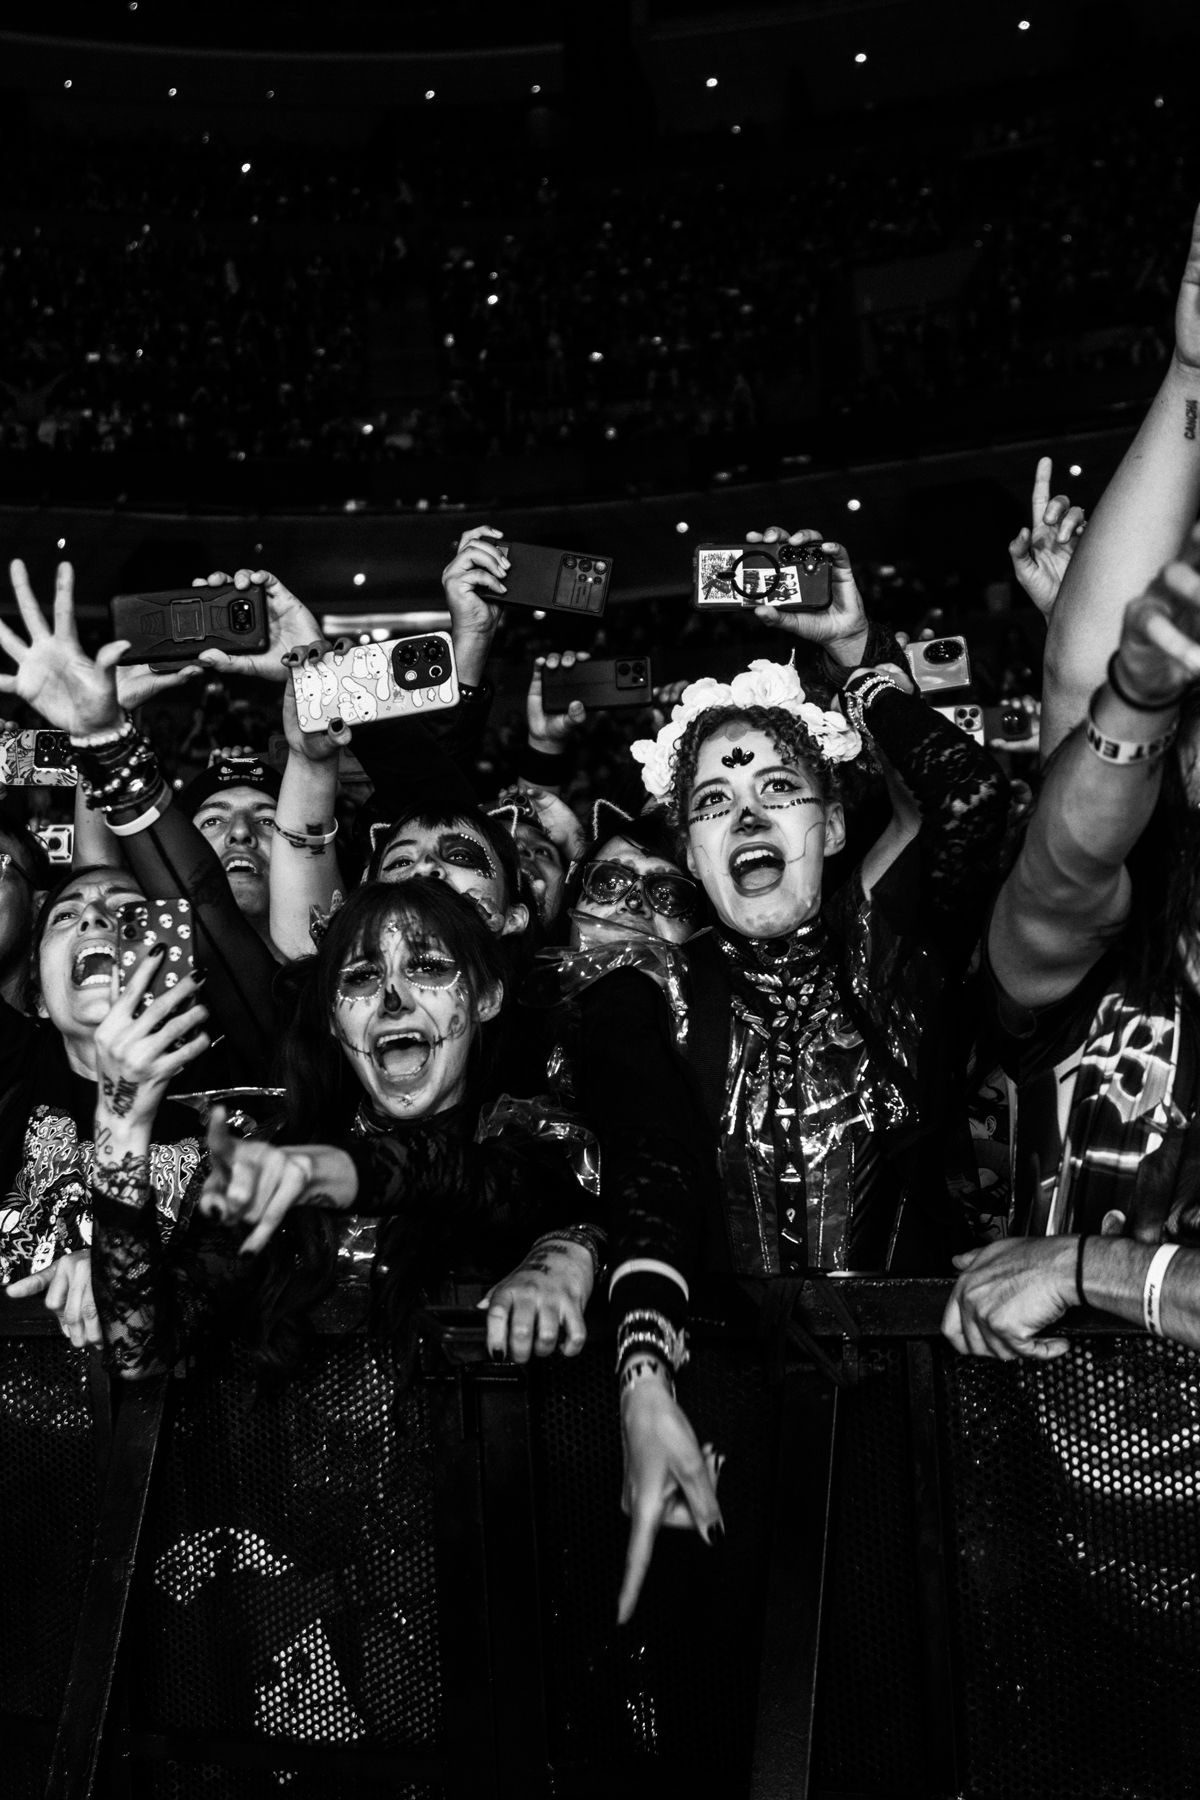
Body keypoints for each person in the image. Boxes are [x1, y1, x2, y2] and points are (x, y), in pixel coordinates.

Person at [564, 529, 1009, 1620]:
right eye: (714, 801)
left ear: (832, 820)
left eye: (776, 786)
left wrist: (857, 649)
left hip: (921, 1432)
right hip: (722, 1423)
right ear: (688, 847)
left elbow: (975, 802)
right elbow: (651, 1183)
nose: (749, 812)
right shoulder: (649, 996)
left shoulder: (893, 955)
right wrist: (641, 1385)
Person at [90, 877, 604, 1378]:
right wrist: (122, 1122)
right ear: (334, 1019)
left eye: (427, 967)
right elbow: (140, 1352)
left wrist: (316, 1172)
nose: (393, 998)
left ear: (485, 998)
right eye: (361, 977)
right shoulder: (269, 1155)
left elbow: (454, 1173)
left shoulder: (528, 1136)